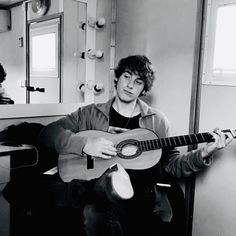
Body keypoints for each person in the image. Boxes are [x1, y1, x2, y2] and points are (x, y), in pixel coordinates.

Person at [37, 55, 233, 235]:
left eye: (138, 82)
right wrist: (85, 144)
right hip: (98, 189)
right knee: (94, 212)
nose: (130, 85)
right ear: (117, 78)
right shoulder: (89, 113)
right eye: (127, 76)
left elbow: (172, 166)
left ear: (144, 89)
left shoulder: (157, 121)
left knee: (96, 209)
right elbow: (48, 133)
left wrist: (206, 152)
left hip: (141, 194)